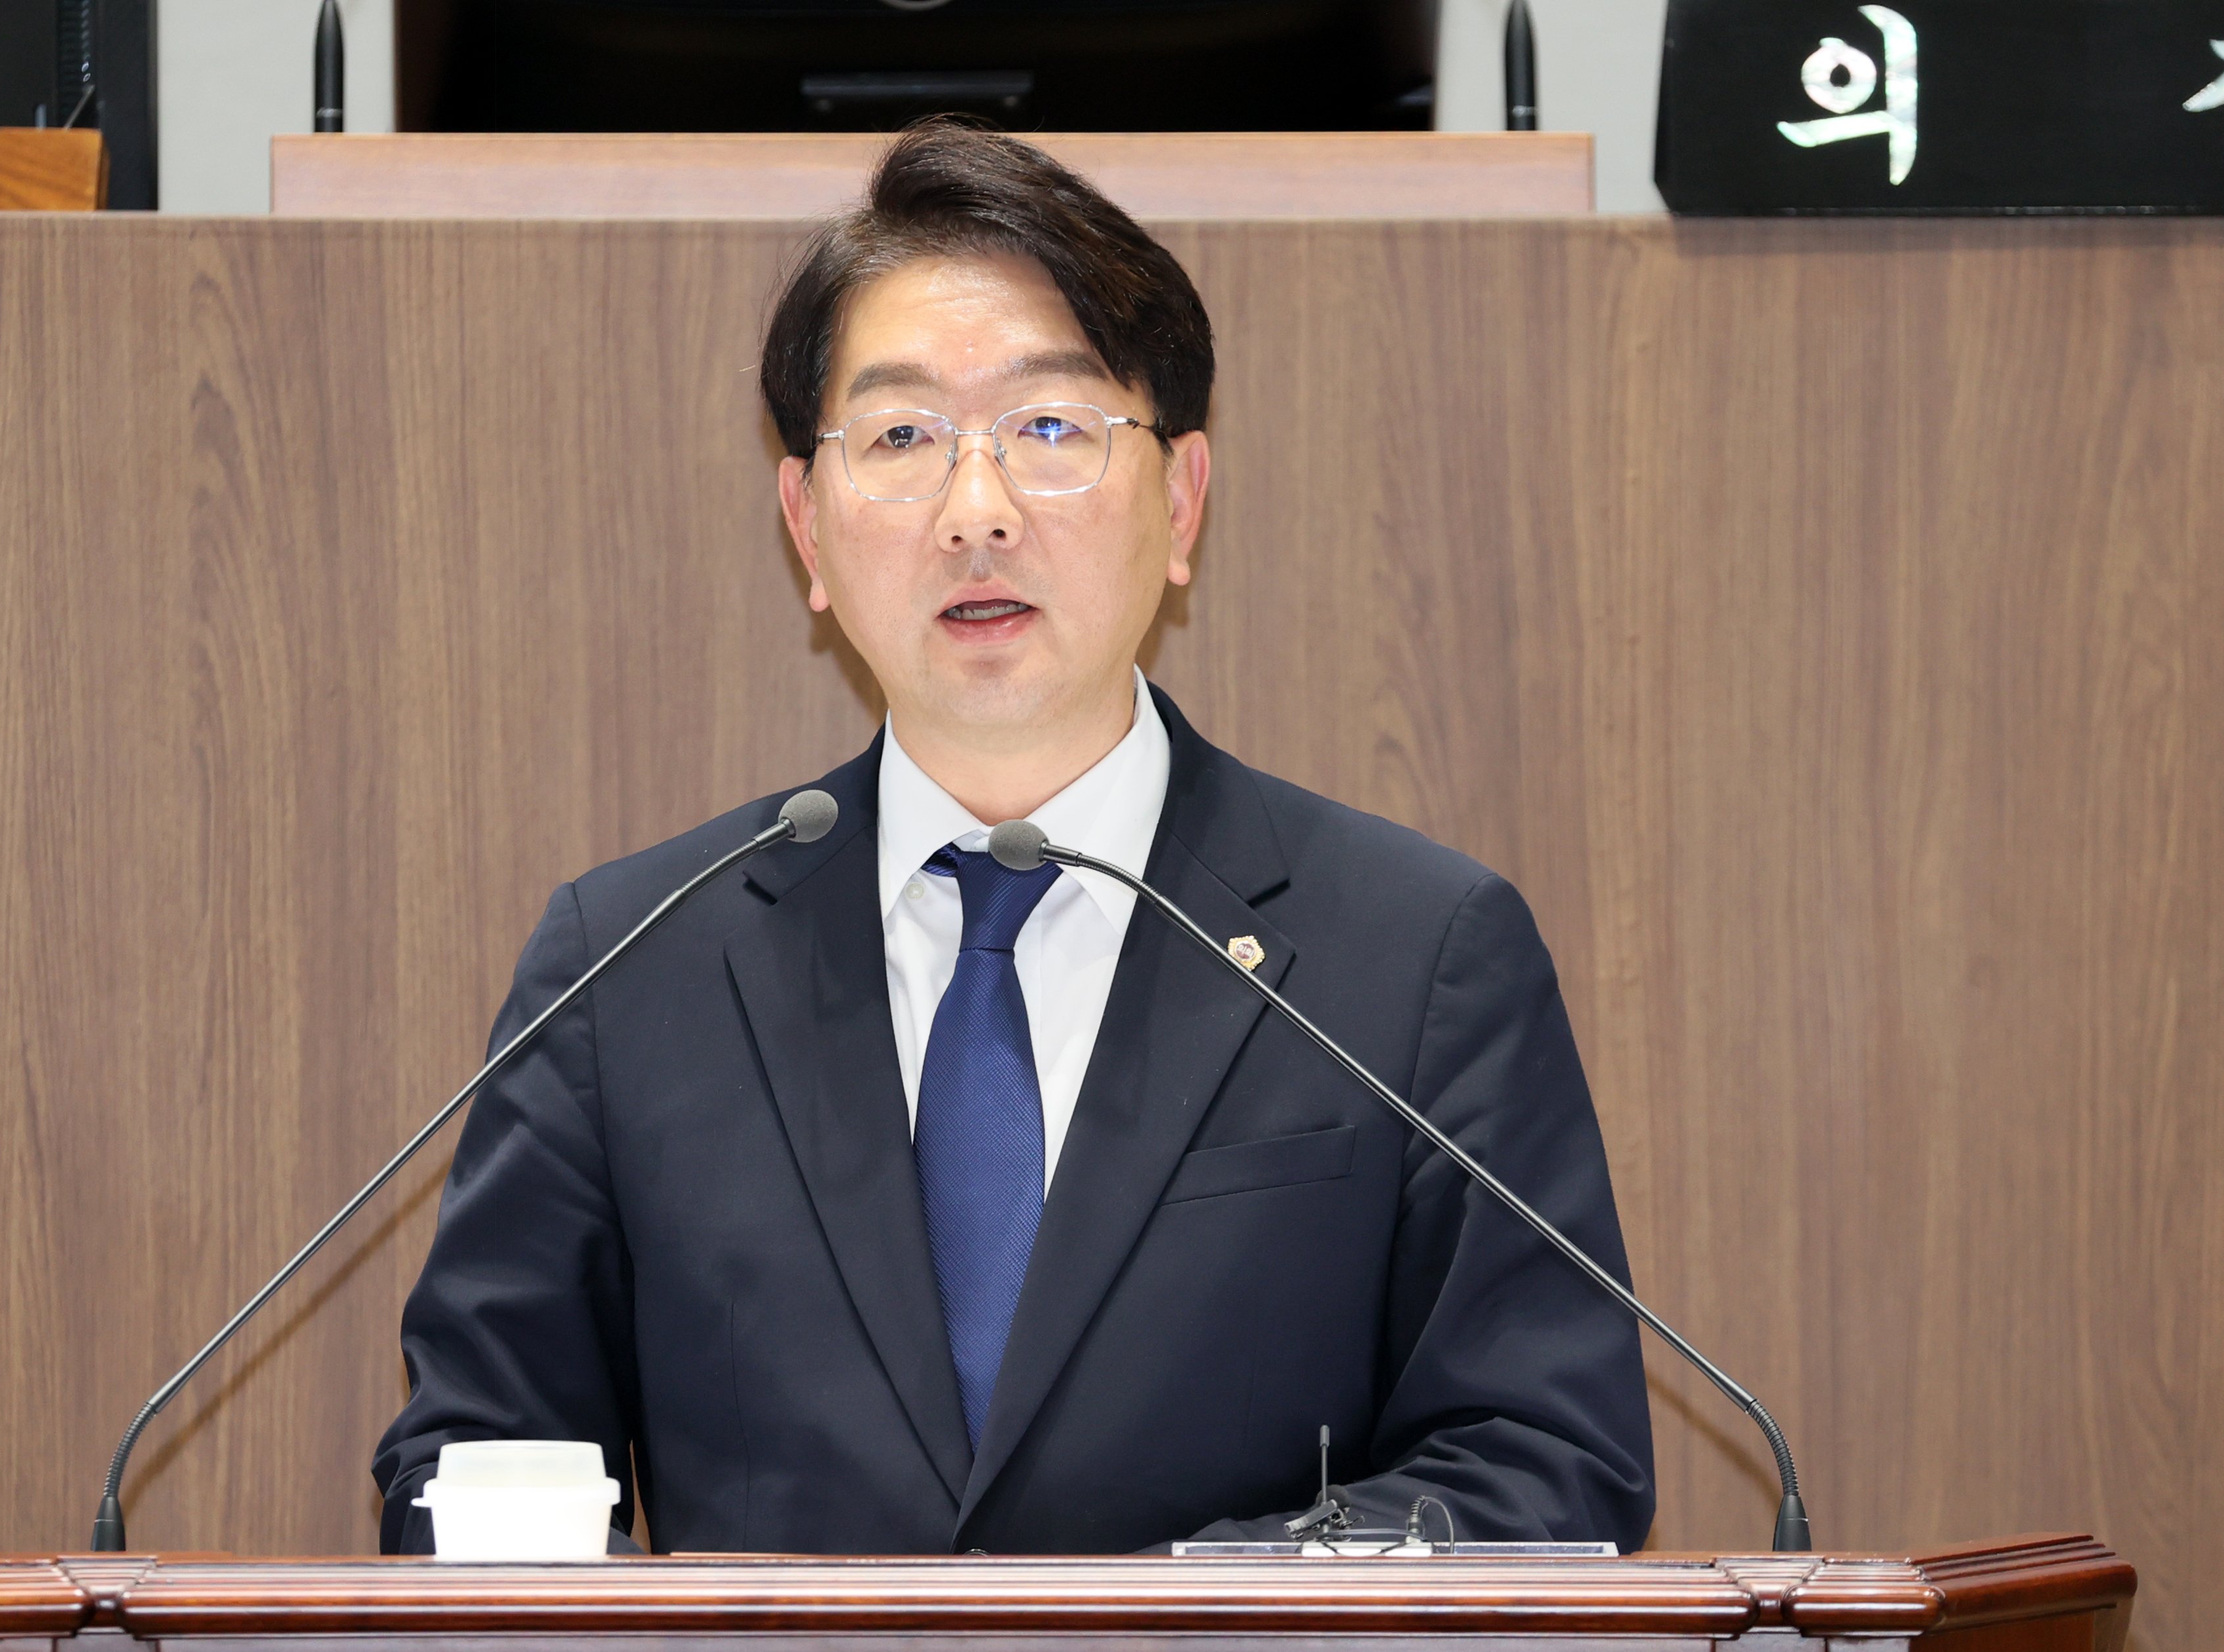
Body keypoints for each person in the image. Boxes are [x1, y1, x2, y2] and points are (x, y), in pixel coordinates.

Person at [373, 120, 1655, 1556]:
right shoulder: (629, 970)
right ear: (806, 526)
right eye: (901, 438)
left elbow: (1542, 1461)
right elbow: (472, 1469)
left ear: (1180, 501)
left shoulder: (1414, 955)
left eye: (1049, 429)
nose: (974, 513)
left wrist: (1166, 1633)